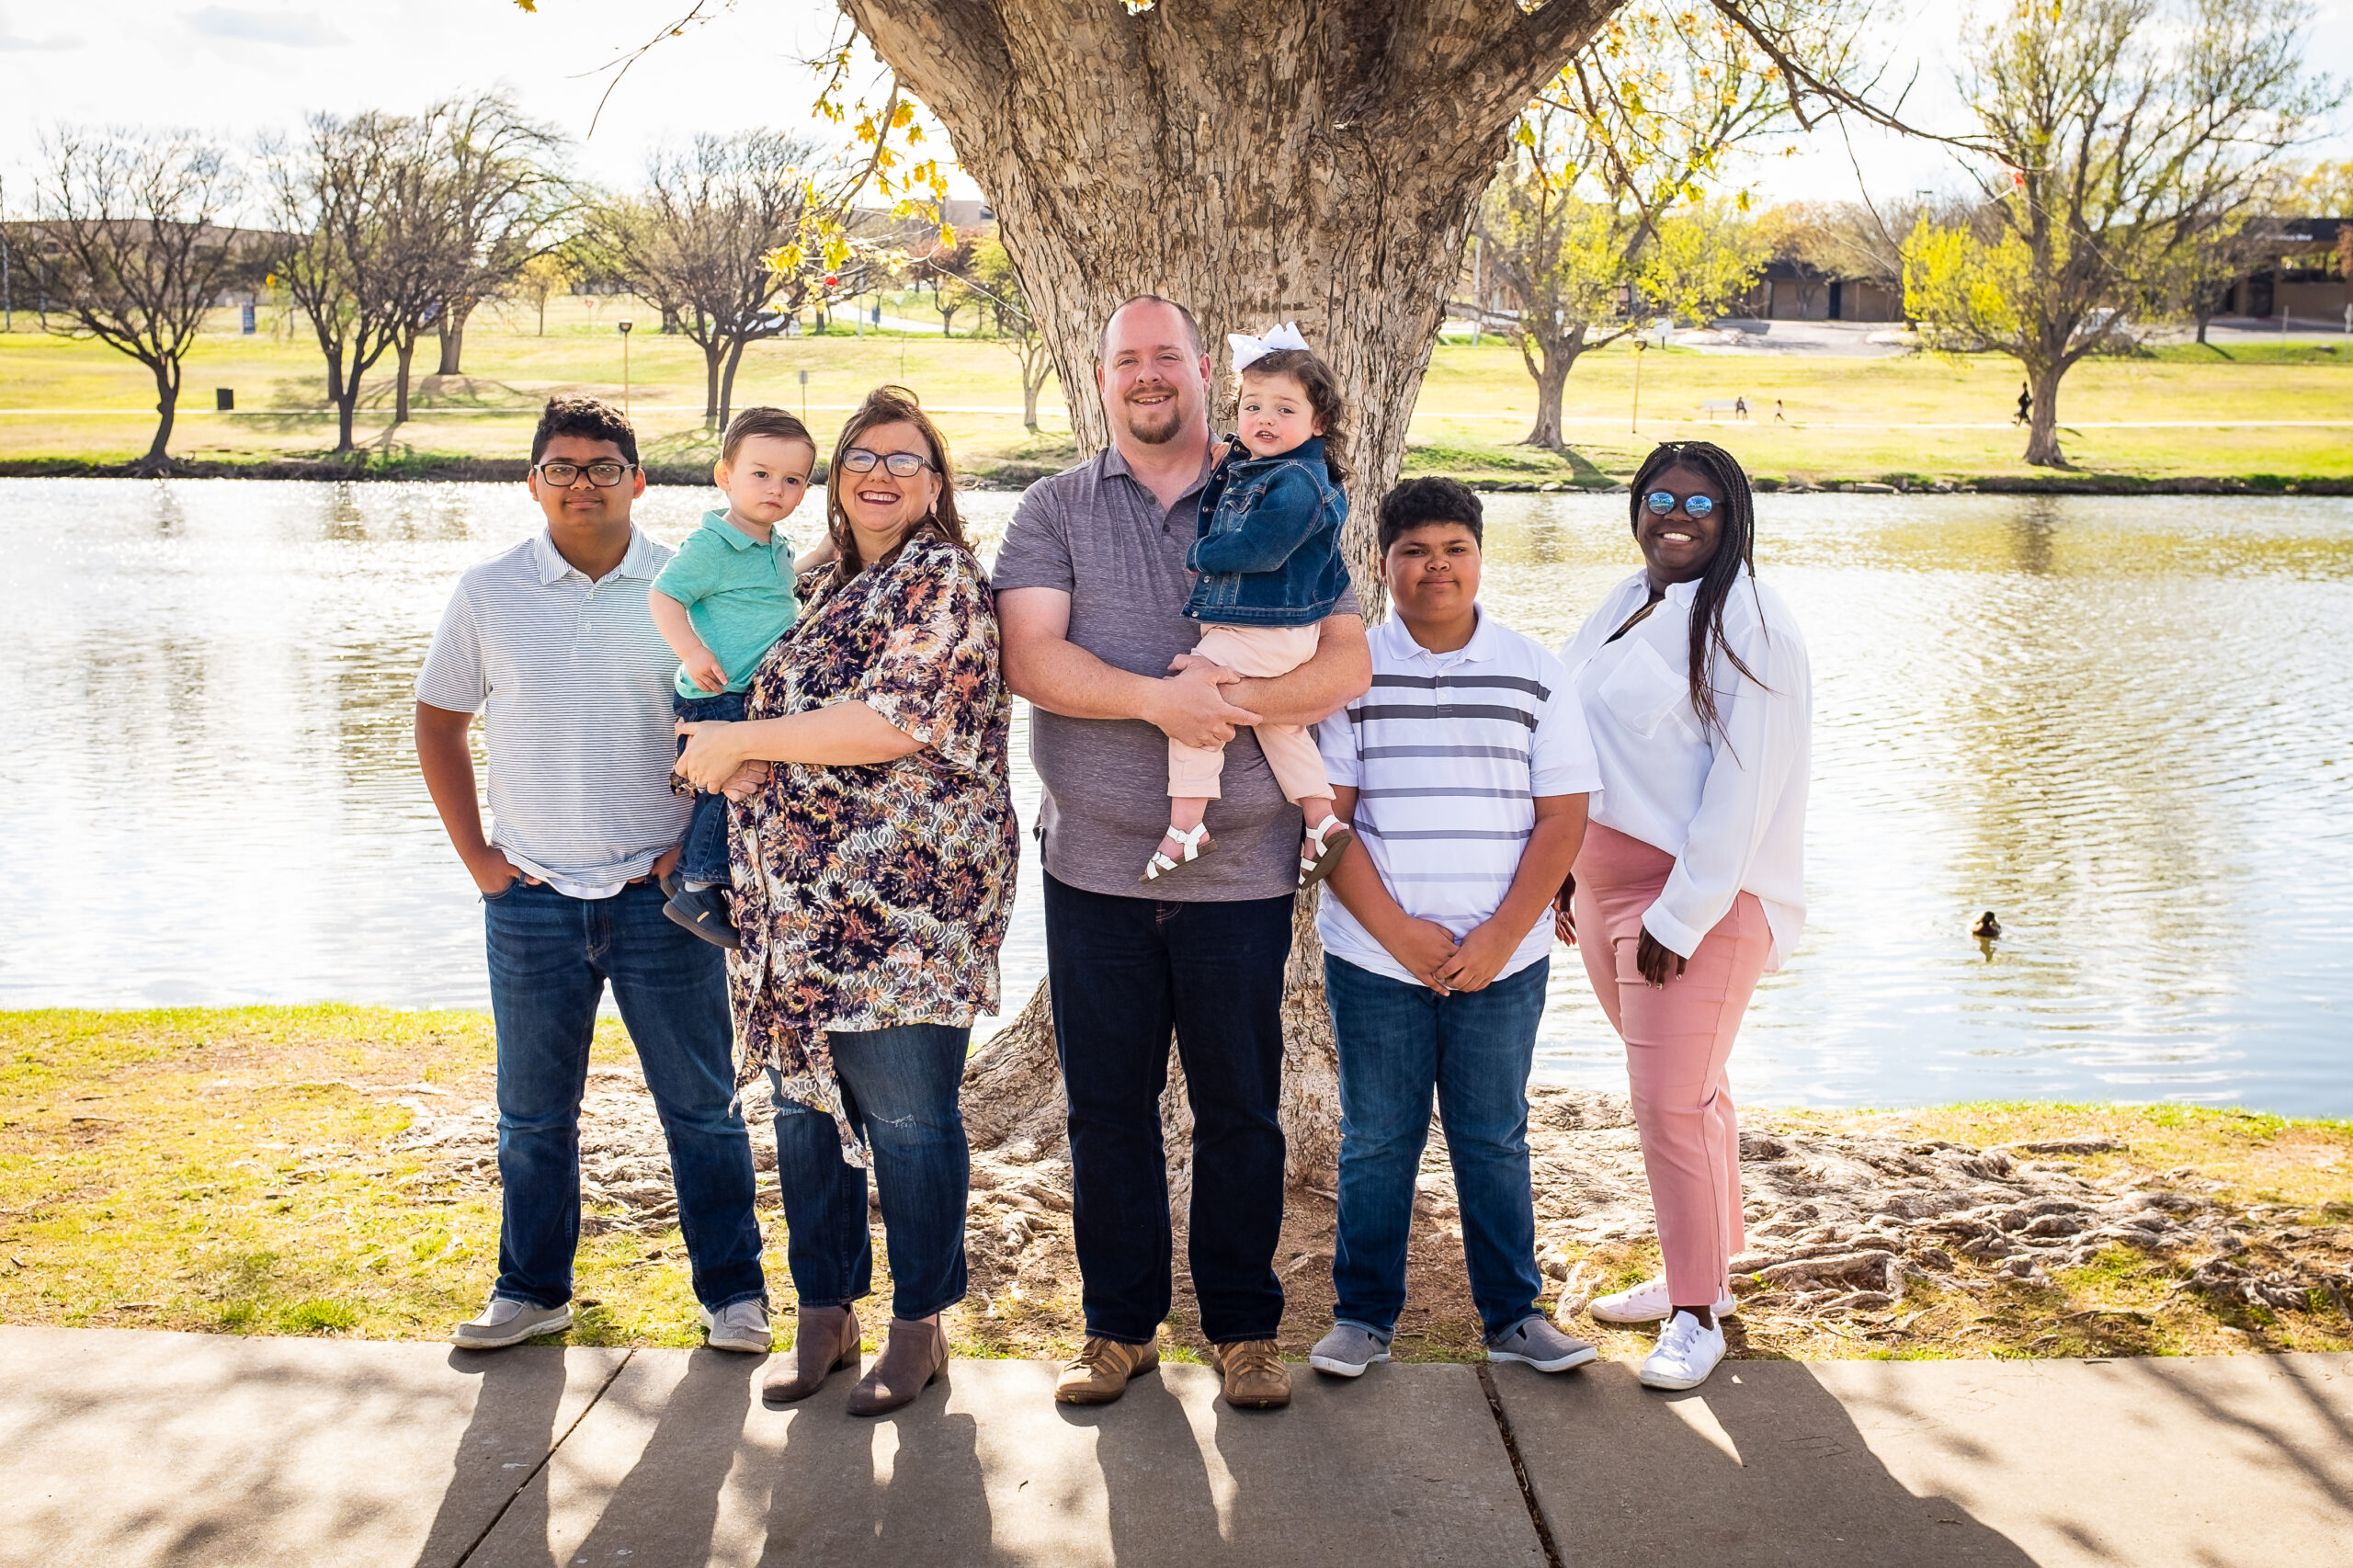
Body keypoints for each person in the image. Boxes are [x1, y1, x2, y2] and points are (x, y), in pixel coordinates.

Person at [995, 295, 1372, 1412]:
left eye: (1167, 356)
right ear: (1101, 375)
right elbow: (1033, 657)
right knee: (1104, 1107)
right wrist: (1169, 706)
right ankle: (1116, 1327)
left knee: (1240, 1107)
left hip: (1241, 874)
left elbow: (1345, 659)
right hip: (1093, 869)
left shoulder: (1275, 478)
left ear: (1204, 371)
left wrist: (1233, 699)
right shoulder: (1056, 505)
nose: (1148, 375)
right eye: (1128, 360)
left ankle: (1245, 1330)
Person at [675, 385, 1016, 1418]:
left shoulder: (943, 581)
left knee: (910, 1117)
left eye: (902, 459)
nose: (876, 474)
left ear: (936, 481)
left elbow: (893, 722)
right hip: (791, 904)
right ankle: (823, 1308)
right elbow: (745, 695)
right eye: (860, 456)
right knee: (801, 1113)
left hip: (905, 906)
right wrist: (723, 755)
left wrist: (741, 742)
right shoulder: (812, 579)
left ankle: (922, 1322)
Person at [414, 395, 769, 1355]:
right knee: (532, 1116)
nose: (582, 484)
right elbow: (438, 720)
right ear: (533, 483)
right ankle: (532, 1290)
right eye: (562, 468)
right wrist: (482, 861)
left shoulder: (687, 587)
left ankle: (735, 1296)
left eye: (604, 468)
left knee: (702, 1108)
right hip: (528, 895)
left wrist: (693, 840)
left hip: (662, 901)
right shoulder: (489, 593)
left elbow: (735, 723)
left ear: (639, 480)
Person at [1304, 478, 1602, 1381]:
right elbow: (1327, 819)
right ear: (1383, 563)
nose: (1436, 566)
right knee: (1377, 1136)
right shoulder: (1349, 671)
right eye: (1414, 551)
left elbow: (1563, 816)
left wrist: (1502, 936)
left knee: (1493, 1134)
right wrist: (1396, 933)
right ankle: (1362, 1317)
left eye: (1454, 548)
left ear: (1479, 556)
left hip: (1502, 957)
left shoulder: (1533, 668)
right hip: (1373, 954)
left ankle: (1514, 1316)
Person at [1553, 439, 1811, 1392]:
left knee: (1669, 1101)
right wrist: (1560, 871)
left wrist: (1682, 915)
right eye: (1658, 497)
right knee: (1696, 1089)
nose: (1675, 516)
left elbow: (1746, 791)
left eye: (1699, 505)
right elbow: (1572, 734)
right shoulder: (1627, 599)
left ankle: (1696, 1315)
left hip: (1692, 900)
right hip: (1601, 883)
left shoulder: (1754, 626)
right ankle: (1705, 1271)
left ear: (1731, 516)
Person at [1145, 323, 1352, 889]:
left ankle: (1187, 825)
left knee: (1194, 703)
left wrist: (1203, 552)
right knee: (1282, 726)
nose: (1264, 419)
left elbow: (1261, 548)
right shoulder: (1271, 468)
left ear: (1320, 422)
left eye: (1285, 410)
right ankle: (1321, 819)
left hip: (1260, 628)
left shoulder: (1297, 484)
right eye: (1252, 406)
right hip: (1281, 633)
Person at [646, 405, 828, 949]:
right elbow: (664, 594)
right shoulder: (713, 544)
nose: (776, 488)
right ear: (725, 476)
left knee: (734, 784)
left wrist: (819, 555)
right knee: (729, 789)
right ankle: (700, 886)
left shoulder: (771, 545)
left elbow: (770, 596)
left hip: (747, 690)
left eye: (792, 480)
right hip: (718, 688)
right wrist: (692, 651)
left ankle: (689, 876)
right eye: (761, 473)